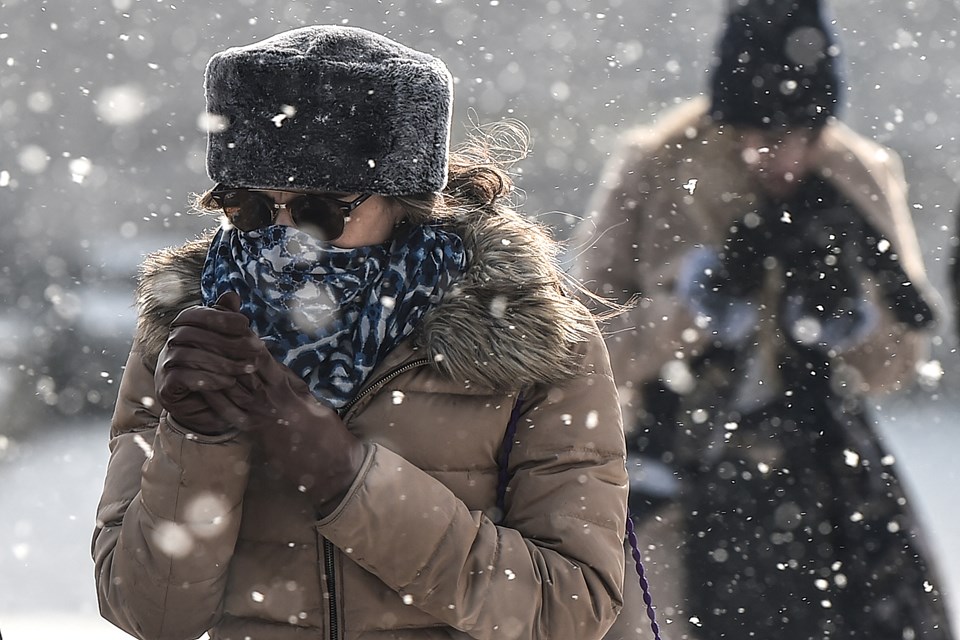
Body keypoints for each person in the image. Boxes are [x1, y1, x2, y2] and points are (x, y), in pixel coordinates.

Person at [92, 25, 630, 640]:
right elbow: (149, 615)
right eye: (253, 209)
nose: (286, 241)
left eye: (322, 209)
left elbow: (571, 608)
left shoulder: (533, 338)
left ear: (405, 199)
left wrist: (345, 478)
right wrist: (198, 442)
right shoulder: (188, 329)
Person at [574, 1, 955, 639]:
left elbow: (899, 362)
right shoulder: (658, 166)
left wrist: (850, 324)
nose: (781, 157)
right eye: (760, 135)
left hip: (825, 480)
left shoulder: (857, 175)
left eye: (801, 136)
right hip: (677, 468)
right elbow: (580, 344)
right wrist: (691, 312)